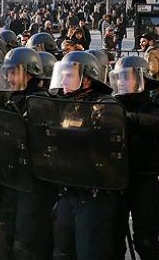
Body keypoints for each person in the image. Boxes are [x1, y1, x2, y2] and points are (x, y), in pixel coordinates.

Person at [48, 51, 121, 260]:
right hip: (68, 190)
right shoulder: (64, 104)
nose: (63, 79)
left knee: (90, 252)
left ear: (86, 80)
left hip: (94, 194)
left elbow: (107, 140)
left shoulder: (104, 105)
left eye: (69, 75)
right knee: (62, 252)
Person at [0, 47, 57, 260]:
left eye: (14, 72)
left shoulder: (40, 101)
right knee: (1, 241)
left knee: (26, 244)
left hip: (33, 184)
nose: (9, 77)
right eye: (7, 72)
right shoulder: (10, 98)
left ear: (29, 73)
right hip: (12, 179)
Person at [109, 56, 159, 260]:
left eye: (128, 77)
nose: (123, 82)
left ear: (141, 79)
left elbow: (156, 122)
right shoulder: (112, 104)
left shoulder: (157, 104)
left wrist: (123, 117)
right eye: (120, 78)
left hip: (145, 180)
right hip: (117, 181)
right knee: (113, 240)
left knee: (146, 241)